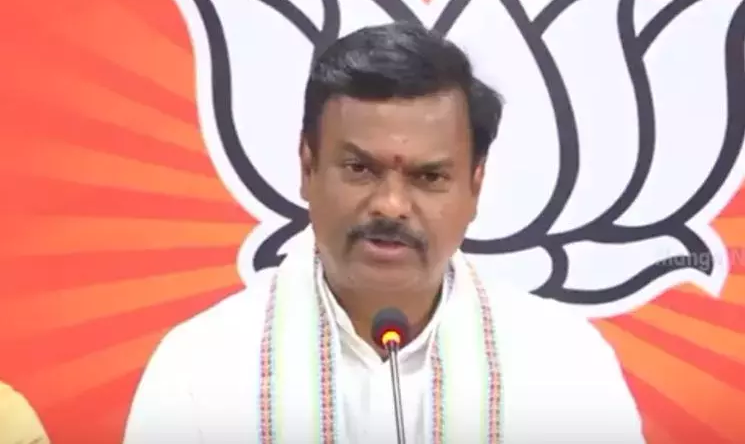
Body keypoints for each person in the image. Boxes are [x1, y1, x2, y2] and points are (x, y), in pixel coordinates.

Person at [123, 22, 645, 443]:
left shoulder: (565, 364)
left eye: (429, 177)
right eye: (360, 169)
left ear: (475, 185)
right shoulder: (200, 367)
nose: (391, 205)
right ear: (307, 167)